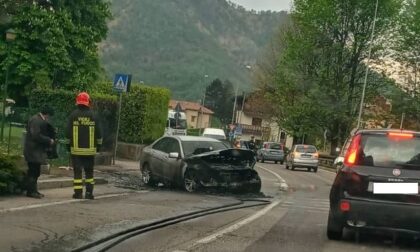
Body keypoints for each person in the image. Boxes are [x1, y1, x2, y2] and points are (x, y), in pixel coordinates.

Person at [66, 92, 102, 200]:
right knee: (89, 173)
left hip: (76, 151)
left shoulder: (73, 115)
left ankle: (78, 194)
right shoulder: (94, 115)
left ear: (77, 102)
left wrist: (68, 146)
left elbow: (67, 133)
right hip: (90, 151)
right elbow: (99, 134)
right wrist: (98, 147)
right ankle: (89, 193)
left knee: (77, 173)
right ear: (88, 102)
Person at [23, 106, 55, 199]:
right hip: (33, 151)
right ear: (47, 114)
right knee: (33, 171)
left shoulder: (37, 119)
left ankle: (34, 190)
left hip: (35, 151)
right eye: (49, 116)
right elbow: (36, 135)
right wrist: (48, 140)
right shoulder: (36, 120)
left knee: (36, 171)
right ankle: (31, 191)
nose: (48, 118)